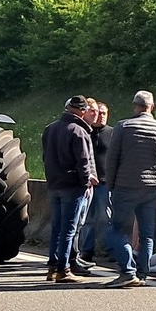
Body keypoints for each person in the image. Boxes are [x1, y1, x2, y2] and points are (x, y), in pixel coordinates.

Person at [104, 90, 156, 288]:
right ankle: (142, 274)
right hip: (151, 188)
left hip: (125, 186)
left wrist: (110, 185)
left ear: (134, 106)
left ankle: (127, 270)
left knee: (116, 229)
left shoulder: (123, 126)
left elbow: (112, 159)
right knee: (147, 234)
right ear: (152, 107)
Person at [41, 95, 97, 282]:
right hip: (72, 186)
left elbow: (45, 158)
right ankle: (63, 269)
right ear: (82, 111)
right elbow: (83, 162)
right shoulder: (79, 131)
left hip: (54, 184)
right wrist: (85, 181)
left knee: (56, 227)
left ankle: (52, 266)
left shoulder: (50, 129)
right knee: (69, 229)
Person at [76, 100, 113, 276]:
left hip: (105, 182)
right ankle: (86, 251)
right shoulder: (86, 132)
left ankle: (111, 249)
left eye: (104, 113)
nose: (101, 116)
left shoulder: (112, 134)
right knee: (87, 221)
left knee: (106, 218)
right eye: (99, 113)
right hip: (88, 183)